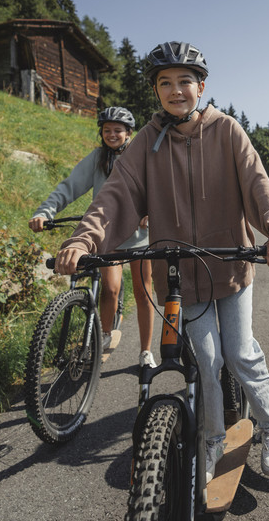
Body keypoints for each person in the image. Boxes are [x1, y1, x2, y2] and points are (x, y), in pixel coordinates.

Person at [53, 41, 269, 482]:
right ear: (156, 92)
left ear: (201, 86)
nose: (176, 90)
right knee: (205, 358)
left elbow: (258, 184)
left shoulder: (227, 131)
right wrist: (84, 239)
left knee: (240, 354)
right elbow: (115, 195)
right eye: (165, 83)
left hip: (231, 265)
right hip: (180, 274)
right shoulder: (145, 141)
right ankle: (213, 436)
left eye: (185, 81)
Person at [29, 106, 157, 368]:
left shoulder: (140, 155)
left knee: (144, 293)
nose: (112, 135)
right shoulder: (98, 158)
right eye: (106, 130)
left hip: (140, 236)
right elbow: (70, 186)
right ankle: (105, 336)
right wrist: (45, 211)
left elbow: (158, 186)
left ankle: (145, 352)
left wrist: (151, 212)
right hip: (109, 234)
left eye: (117, 130)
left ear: (129, 133)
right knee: (109, 289)